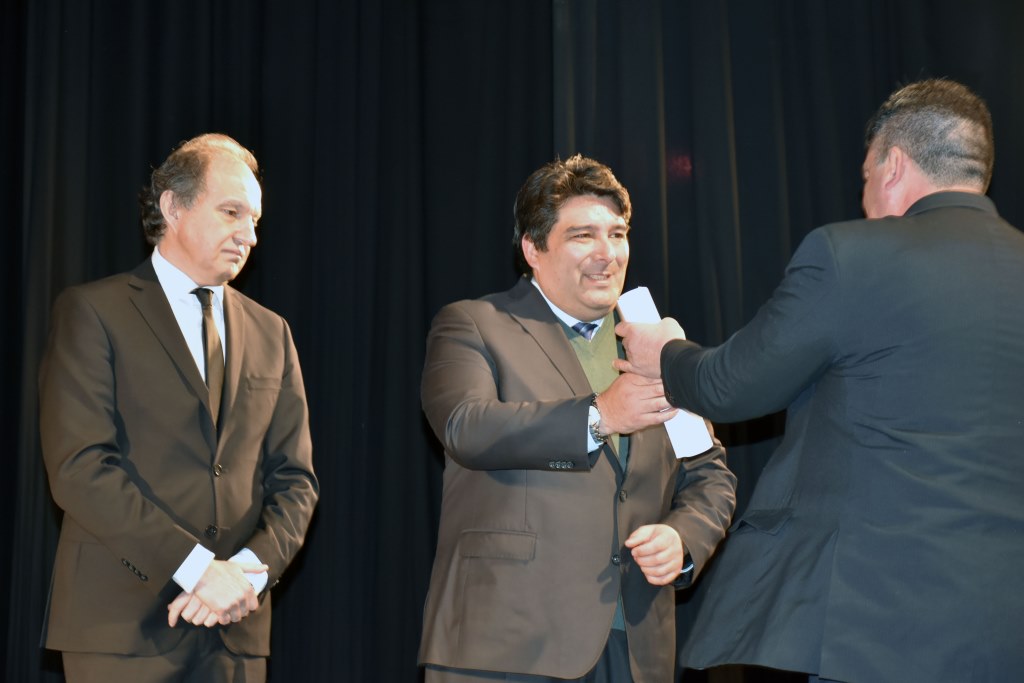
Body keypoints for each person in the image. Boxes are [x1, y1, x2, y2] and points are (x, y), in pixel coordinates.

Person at [616, 79, 1024, 682]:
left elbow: (734, 387)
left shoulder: (850, 255)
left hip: (874, 618)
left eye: (864, 177)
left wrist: (665, 353)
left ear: (892, 166)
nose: (864, 200)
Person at [418, 154, 736, 682]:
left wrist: (684, 540)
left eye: (618, 234)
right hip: (508, 645)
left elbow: (710, 475)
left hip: (633, 650)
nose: (606, 254)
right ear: (532, 249)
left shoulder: (655, 343)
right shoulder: (474, 324)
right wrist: (600, 416)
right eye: (583, 236)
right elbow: (466, 427)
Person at [38, 133, 319, 682]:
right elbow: (80, 467)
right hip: (120, 627)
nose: (249, 235)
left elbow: (296, 481)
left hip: (233, 630)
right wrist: (195, 570)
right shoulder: (92, 312)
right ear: (173, 206)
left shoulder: (271, 332)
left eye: (255, 220)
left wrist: (243, 576)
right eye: (232, 211)